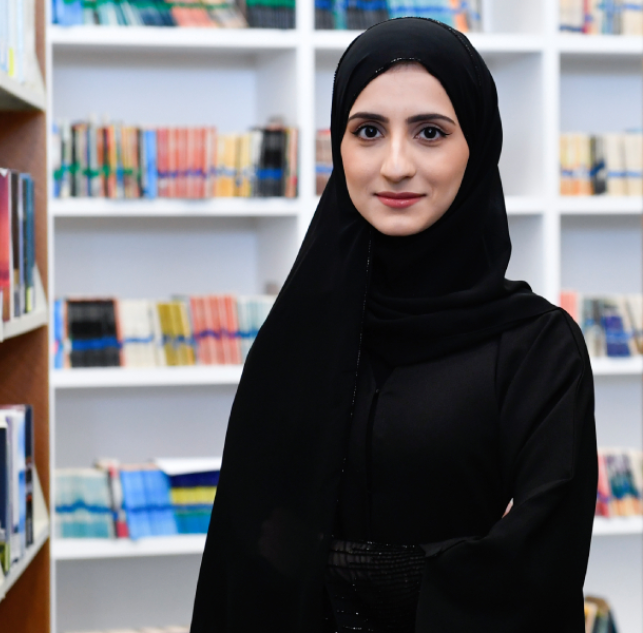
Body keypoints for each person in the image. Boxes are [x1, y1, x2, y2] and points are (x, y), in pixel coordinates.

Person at [190, 17, 597, 633]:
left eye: (430, 132)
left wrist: (349, 567)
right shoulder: (297, 337)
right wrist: (440, 558)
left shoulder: (539, 349)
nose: (396, 165)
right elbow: (249, 560)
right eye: (368, 132)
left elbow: (537, 570)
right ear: (339, 144)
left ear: (478, 146)